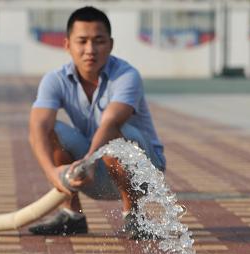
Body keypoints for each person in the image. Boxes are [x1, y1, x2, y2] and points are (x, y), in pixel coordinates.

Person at [28, 6, 166, 239]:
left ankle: (134, 215)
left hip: (142, 171)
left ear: (110, 45)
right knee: (50, 130)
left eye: (98, 41)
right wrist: (53, 175)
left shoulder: (126, 75)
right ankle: (73, 215)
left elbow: (111, 123)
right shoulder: (55, 80)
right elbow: (37, 128)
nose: (90, 49)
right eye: (82, 41)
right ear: (67, 45)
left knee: (117, 134)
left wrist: (90, 160)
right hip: (95, 169)